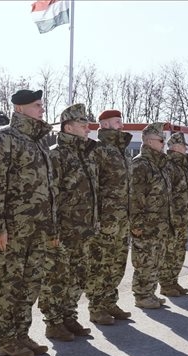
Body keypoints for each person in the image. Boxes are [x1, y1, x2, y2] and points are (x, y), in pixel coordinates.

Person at [0, 89, 57, 356]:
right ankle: (6, 339)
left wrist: (51, 227)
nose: (41, 109)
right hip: (12, 230)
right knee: (6, 285)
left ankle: (21, 333)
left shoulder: (38, 142)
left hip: (36, 230)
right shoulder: (4, 140)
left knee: (30, 285)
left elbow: (49, 190)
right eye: (36, 105)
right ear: (19, 109)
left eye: (41, 105)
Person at [38, 103, 96, 341]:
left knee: (78, 274)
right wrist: (52, 229)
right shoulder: (56, 154)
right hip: (63, 229)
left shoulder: (86, 155)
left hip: (84, 228)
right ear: (68, 127)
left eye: (87, 125)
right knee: (56, 276)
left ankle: (68, 316)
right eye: (83, 125)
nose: (87, 129)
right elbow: (50, 195)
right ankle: (53, 322)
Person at [85, 109, 132, 324]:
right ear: (103, 125)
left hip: (122, 218)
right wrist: (97, 217)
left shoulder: (122, 151)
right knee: (100, 263)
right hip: (106, 219)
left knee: (118, 262)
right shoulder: (98, 150)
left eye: (121, 122)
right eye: (116, 122)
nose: (121, 125)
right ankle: (96, 307)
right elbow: (92, 186)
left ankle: (110, 301)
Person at [130, 122, 173, 308]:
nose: (164, 143)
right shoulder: (140, 164)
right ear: (148, 141)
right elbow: (135, 197)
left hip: (159, 224)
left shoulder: (159, 164)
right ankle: (141, 296)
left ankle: (150, 293)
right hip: (146, 224)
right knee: (145, 261)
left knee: (156, 260)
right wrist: (137, 225)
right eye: (161, 140)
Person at [159, 132, 188, 297]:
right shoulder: (168, 165)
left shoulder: (182, 165)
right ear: (174, 147)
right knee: (170, 252)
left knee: (179, 252)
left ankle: (173, 281)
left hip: (182, 218)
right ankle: (166, 284)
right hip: (173, 219)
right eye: (183, 145)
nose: (186, 148)